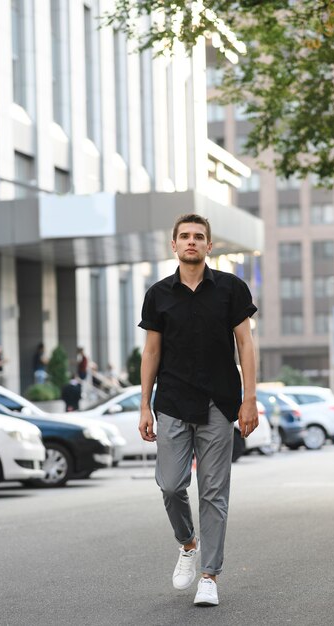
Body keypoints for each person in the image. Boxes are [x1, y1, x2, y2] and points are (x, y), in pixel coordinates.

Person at [139, 213, 258, 607]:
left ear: (210, 245)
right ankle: (188, 544)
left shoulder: (231, 289)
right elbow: (152, 351)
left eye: (199, 237)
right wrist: (144, 405)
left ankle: (209, 575)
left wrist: (249, 398)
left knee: (213, 492)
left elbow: (245, 345)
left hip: (218, 404)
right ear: (173, 245)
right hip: (172, 402)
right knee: (171, 485)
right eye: (185, 237)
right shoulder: (158, 294)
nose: (192, 242)